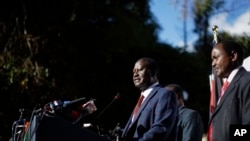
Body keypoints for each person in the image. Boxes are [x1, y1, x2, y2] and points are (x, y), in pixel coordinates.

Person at [121, 57, 178, 141]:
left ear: (152, 73)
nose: (135, 74)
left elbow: (161, 128)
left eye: (140, 70)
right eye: (134, 71)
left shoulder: (165, 95)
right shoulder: (142, 99)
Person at [208, 40, 250, 141]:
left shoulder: (247, 81)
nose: (213, 64)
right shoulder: (226, 88)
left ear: (233, 56)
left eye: (216, 58)